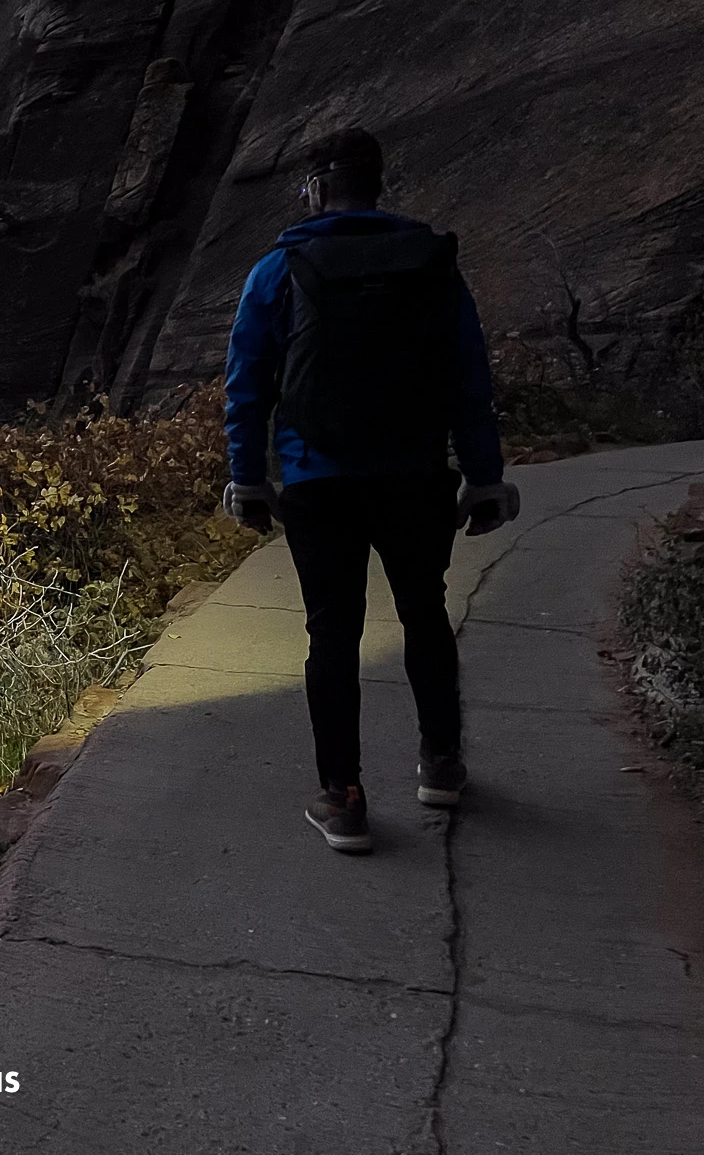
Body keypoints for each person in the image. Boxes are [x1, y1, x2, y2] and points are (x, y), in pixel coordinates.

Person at [221, 127, 520, 853]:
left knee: (332, 632)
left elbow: (247, 386)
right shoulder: (430, 263)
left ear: (317, 189)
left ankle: (344, 797)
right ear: (377, 185)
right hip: (415, 476)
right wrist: (484, 476)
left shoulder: (280, 269)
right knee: (425, 614)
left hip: (318, 480)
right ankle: (441, 764)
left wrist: (249, 477)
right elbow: (467, 378)